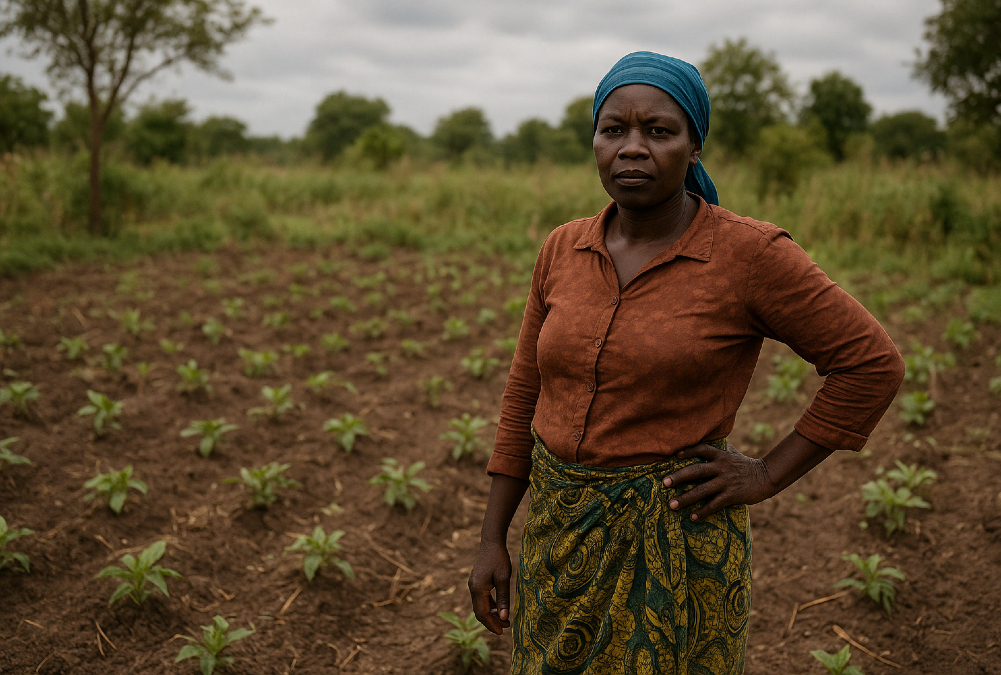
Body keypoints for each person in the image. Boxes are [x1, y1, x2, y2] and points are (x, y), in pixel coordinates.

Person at [468, 51, 905, 674]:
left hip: (674, 541)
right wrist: (492, 538)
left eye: (659, 131)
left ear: (694, 146)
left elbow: (870, 363)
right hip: (558, 540)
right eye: (613, 129)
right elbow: (524, 392)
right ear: (594, 141)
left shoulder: (748, 255)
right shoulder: (564, 248)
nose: (632, 148)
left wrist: (768, 474)